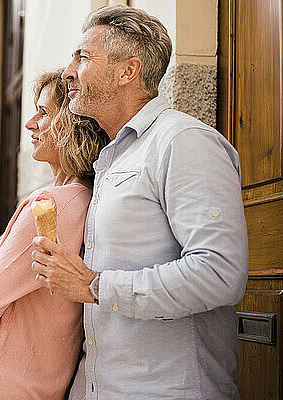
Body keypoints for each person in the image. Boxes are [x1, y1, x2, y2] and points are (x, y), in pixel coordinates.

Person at [31, 5, 249, 400]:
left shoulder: (182, 142)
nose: (68, 72)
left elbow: (220, 273)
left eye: (82, 57)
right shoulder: (113, 157)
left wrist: (95, 286)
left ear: (127, 71)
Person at [0, 70, 110, 400]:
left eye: (44, 112)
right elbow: (27, 281)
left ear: (73, 122)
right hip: (34, 383)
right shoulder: (83, 200)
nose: (30, 123)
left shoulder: (49, 203)